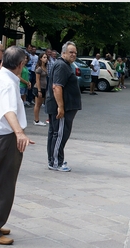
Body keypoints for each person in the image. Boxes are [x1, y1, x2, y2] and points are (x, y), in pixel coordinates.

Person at [0, 46, 35, 245]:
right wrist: (19, 133)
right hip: (6, 139)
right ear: (20, 64)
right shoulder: (7, 83)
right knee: (4, 186)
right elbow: (8, 110)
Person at [45, 41, 82, 172]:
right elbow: (57, 87)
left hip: (64, 107)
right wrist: (60, 107)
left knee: (56, 133)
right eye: (71, 52)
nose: (74, 55)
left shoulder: (64, 65)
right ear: (63, 53)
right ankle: (56, 162)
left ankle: (54, 159)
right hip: (62, 108)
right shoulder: (61, 66)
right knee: (59, 134)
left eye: (75, 53)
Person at [33, 52, 48, 126]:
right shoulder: (39, 68)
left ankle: (37, 119)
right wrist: (39, 90)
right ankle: (36, 120)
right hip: (39, 88)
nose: (46, 59)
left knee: (40, 104)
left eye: (46, 57)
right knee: (37, 104)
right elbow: (37, 80)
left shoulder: (45, 67)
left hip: (44, 87)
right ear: (40, 59)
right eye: (44, 57)